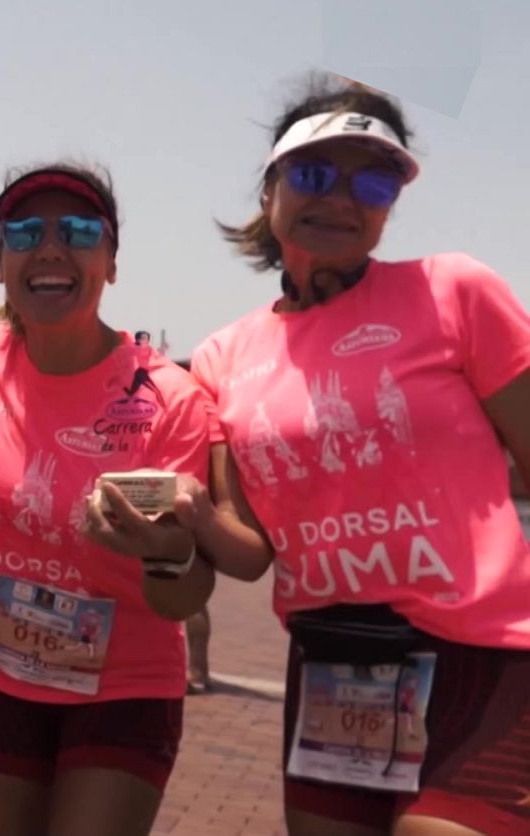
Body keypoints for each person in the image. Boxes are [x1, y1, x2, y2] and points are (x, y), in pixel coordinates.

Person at [186, 78, 530, 835]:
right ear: (270, 189)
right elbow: (247, 552)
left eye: (372, 180)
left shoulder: (457, 292)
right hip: (333, 664)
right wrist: (182, 516)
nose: (341, 199)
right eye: (313, 174)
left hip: (487, 661)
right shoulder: (221, 356)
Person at [0, 164, 216, 836]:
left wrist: (163, 554)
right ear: (1, 263)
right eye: (23, 232)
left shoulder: (171, 398)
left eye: (76, 231)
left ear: (113, 263)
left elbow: (185, 596)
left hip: (124, 685)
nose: (48, 248)